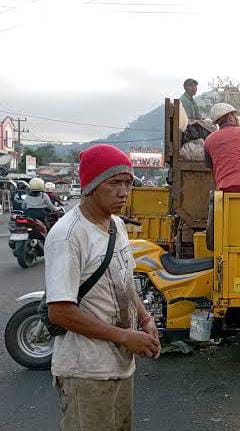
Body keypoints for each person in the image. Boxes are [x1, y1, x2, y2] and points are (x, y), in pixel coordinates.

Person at [46, 144, 161, 431]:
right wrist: (124, 337)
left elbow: (126, 282)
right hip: (86, 371)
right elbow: (60, 312)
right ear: (92, 187)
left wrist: (145, 319)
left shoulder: (116, 226)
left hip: (120, 365)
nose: (124, 192)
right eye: (114, 183)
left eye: (127, 183)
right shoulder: (68, 236)